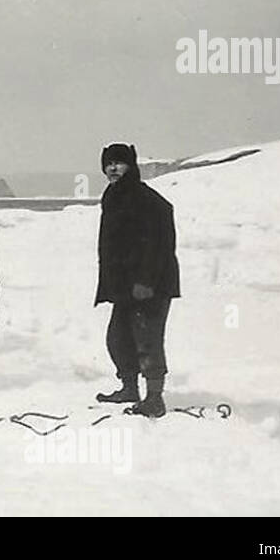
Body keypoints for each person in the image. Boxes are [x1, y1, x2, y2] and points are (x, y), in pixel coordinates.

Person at [93, 143, 181, 418]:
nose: (112, 168)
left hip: (149, 286)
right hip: (125, 287)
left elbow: (158, 244)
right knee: (118, 339)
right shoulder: (113, 195)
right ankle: (129, 388)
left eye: (119, 163)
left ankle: (154, 398)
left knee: (148, 340)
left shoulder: (147, 199)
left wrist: (146, 280)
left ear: (131, 165)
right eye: (108, 164)